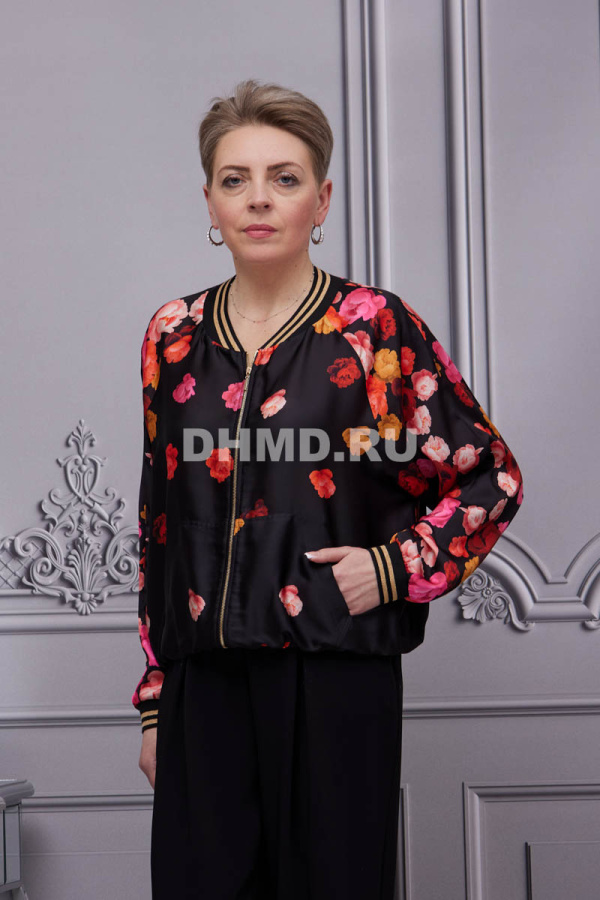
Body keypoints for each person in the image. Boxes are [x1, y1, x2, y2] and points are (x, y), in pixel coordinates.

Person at [131, 78, 524, 899]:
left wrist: (392, 568)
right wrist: (157, 700)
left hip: (334, 677)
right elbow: (159, 523)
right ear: (210, 202)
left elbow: (491, 475)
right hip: (204, 688)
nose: (258, 198)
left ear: (322, 199)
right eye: (235, 179)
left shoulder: (375, 326)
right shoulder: (172, 336)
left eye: (284, 177)